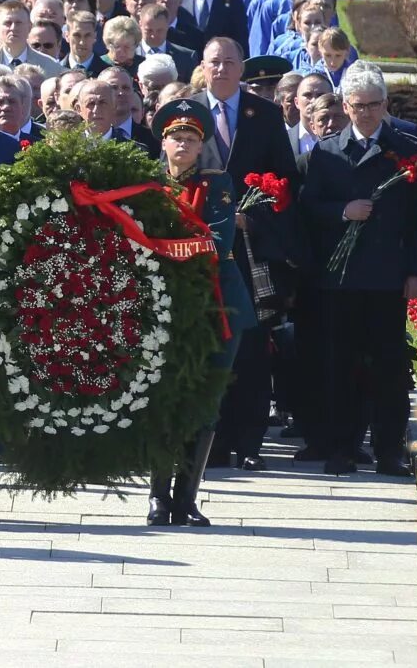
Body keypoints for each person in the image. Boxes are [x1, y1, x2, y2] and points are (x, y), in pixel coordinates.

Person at [301, 64, 417, 477]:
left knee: (389, 365)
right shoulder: (327, 151)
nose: (368, 113)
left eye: (375, 105)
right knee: (343, 363)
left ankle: (389, 448)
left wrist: (416, 272)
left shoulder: (406, 150)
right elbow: (308, 209)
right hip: (341, 280)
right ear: (345, 105)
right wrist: (343, 211)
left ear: (385, 105)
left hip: (386, 275)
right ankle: (344, 446)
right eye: (359, 106)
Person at [147, 98, 251, 526]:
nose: (183, 144)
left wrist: (164, 246)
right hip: (160, 304)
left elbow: (218, 242)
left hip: (215, 302)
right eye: (176, 137)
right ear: (164, 142)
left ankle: (186, 496)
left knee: (205, 398)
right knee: (162, 398)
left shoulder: (217, 184)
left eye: (191, 138)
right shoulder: (145, 184)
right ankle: (158, 497)